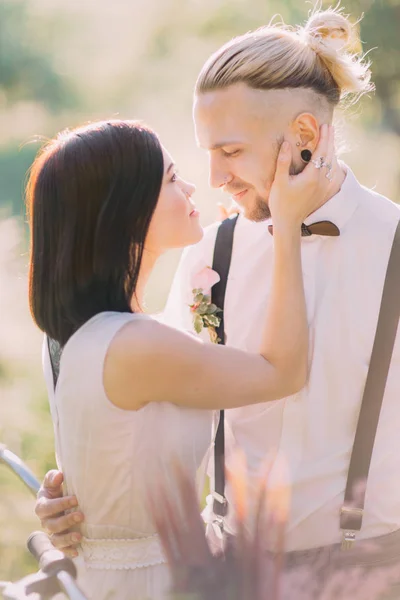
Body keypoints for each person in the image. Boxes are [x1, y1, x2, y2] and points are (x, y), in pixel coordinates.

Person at [35, 5, 400, 597]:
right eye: (205, 152)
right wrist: (80, 494)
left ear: (305, 135)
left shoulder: (394, 247)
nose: (213, 176)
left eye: (230, 152)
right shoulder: (211, 254)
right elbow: (157, 413)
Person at [28, 117, 332, 600]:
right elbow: (283, 372)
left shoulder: (69, 337)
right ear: (123, 213)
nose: (191, 184)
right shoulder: (134, 344)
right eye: (171, 178)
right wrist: (287, 223)